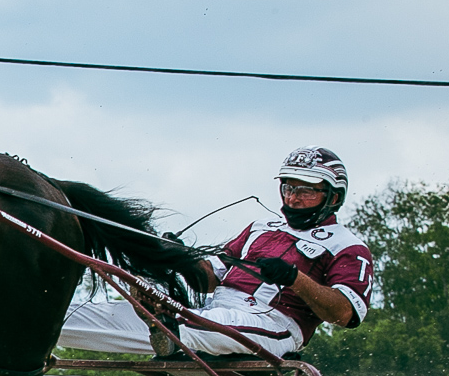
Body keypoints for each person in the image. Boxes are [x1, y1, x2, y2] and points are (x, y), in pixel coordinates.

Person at [60, 146, 373, 359]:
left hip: (273, 323)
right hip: (211, 311)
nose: (292, 198)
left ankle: (168, 326)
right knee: (70, 318)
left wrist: (295, 279)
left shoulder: (347, 246)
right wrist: (180, 258)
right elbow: (209, 279)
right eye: (288, 187)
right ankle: (44, 323)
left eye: (305, 190)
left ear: (333, 196)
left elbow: (344, 314)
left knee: (192, 324)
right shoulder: (260, 228)